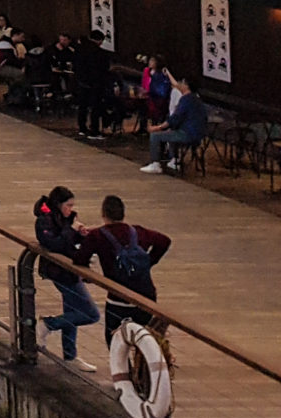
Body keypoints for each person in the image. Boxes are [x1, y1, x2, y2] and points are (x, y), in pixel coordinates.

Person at [80, 193, 170, 348]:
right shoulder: (138, 232)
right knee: (145, 342)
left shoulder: (97, 236)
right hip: (146, 297)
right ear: (123, 213)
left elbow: (80, 258)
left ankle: (124, 371)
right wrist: (149, 261)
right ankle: (143, 370)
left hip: (118, 297)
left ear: (103, 215)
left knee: (114, 341)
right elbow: (164, 241)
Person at [34, 187, 100, 370]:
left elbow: (69, 240)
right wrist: (71, 231)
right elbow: (53, 244)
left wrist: (80, 233)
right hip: (59, 271)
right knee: (91, 313)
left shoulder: (69, 218)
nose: (70, 209)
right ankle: (48, 324)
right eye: (68, 205)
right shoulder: (44, 221)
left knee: (72, 311)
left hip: (71, 270)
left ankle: (70, 355)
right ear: (58, 205)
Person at [141, 73, 208, 173]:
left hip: (188, 134)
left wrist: (158, 127)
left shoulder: (186, 100)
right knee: (171, 133)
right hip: (199, 134)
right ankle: (174, 160)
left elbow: (175, 118)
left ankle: (155, 164)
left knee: (155, 136)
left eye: (182, 82)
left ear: (186, 85)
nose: (179, 84)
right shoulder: (197, 99)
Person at [73, 29, 114, 140]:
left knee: (83, 106)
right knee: (96, 107)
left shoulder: (79, 50)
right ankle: (94, 131)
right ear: (100, 40)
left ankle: (82, 128)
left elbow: (75, 66)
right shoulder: (100, 53)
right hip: (96, 83)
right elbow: (105, 69)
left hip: (81, 82)